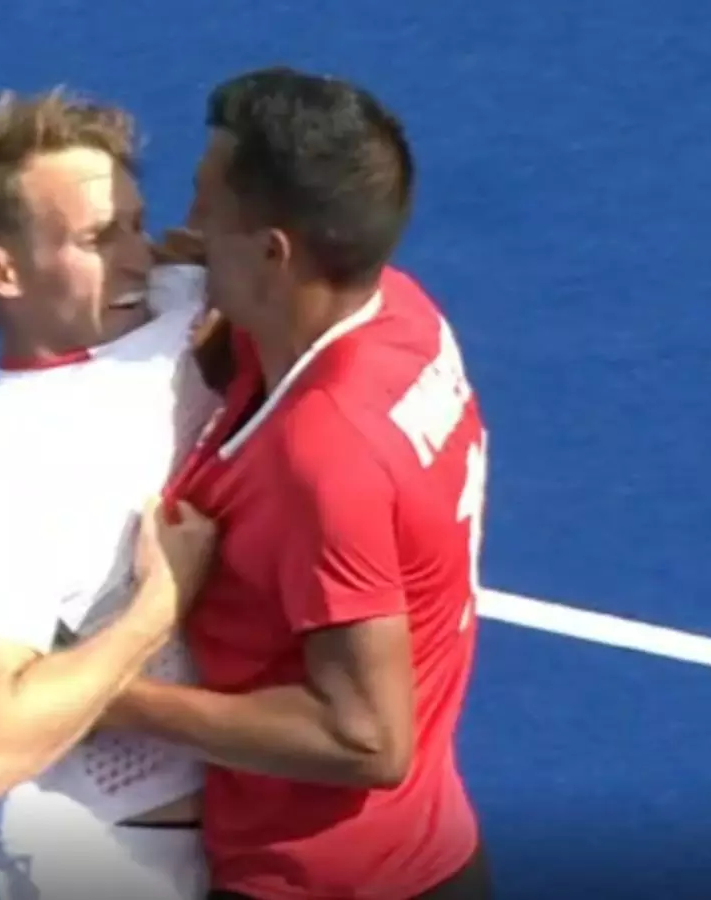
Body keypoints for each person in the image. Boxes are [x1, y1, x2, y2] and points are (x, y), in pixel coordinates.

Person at [100, 67, 493, 900]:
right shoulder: (401, 313)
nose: (188, 223)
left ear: (276, 252)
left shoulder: (327, 456)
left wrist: (108, 696)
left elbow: (367, 740)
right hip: (431, 857)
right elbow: (249, 359)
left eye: (209, 205)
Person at [0, 86, 225, 900]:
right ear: (0, 269)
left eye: (135, 224)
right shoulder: (6, 459)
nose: (137, 258)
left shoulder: (177, 295)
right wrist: (157, 608)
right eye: (96, 239)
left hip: (222, 853)